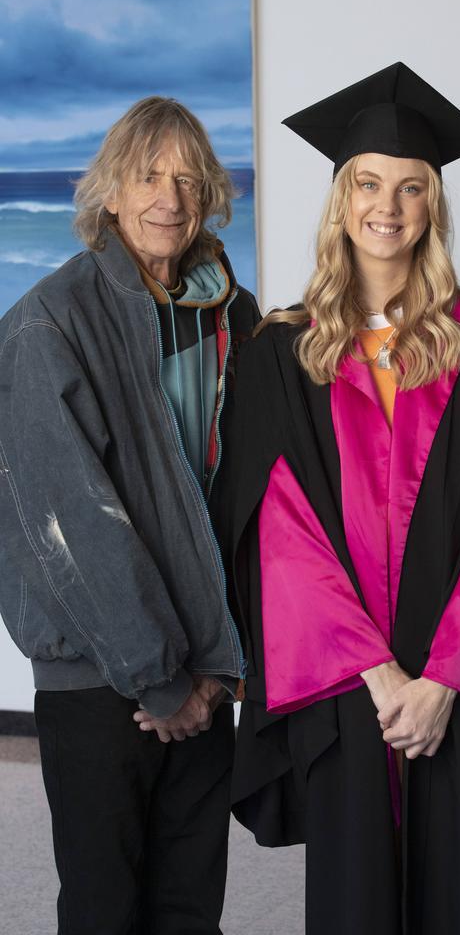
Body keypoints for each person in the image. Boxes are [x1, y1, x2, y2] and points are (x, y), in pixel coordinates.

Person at [211, 62, 460, 935]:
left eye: (411, 187)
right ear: (343, 198)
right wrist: (378, 675)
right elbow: (280, 527)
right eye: (370, 184)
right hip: (351, 691)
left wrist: (445, 678)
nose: (389, 205)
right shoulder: (284, 350)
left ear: (433, 206)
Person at [0, 96, 260, 934]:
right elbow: (69, 523)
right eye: (148, 175)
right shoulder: (49, 322)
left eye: (189, 177)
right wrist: (159, 678)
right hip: (101, 678)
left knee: (190, 906)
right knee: (107, 908)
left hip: (208, 671)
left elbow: (253, 498)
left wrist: (220, 668)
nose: (170, 197)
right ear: (109, 192)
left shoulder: (235, 318)